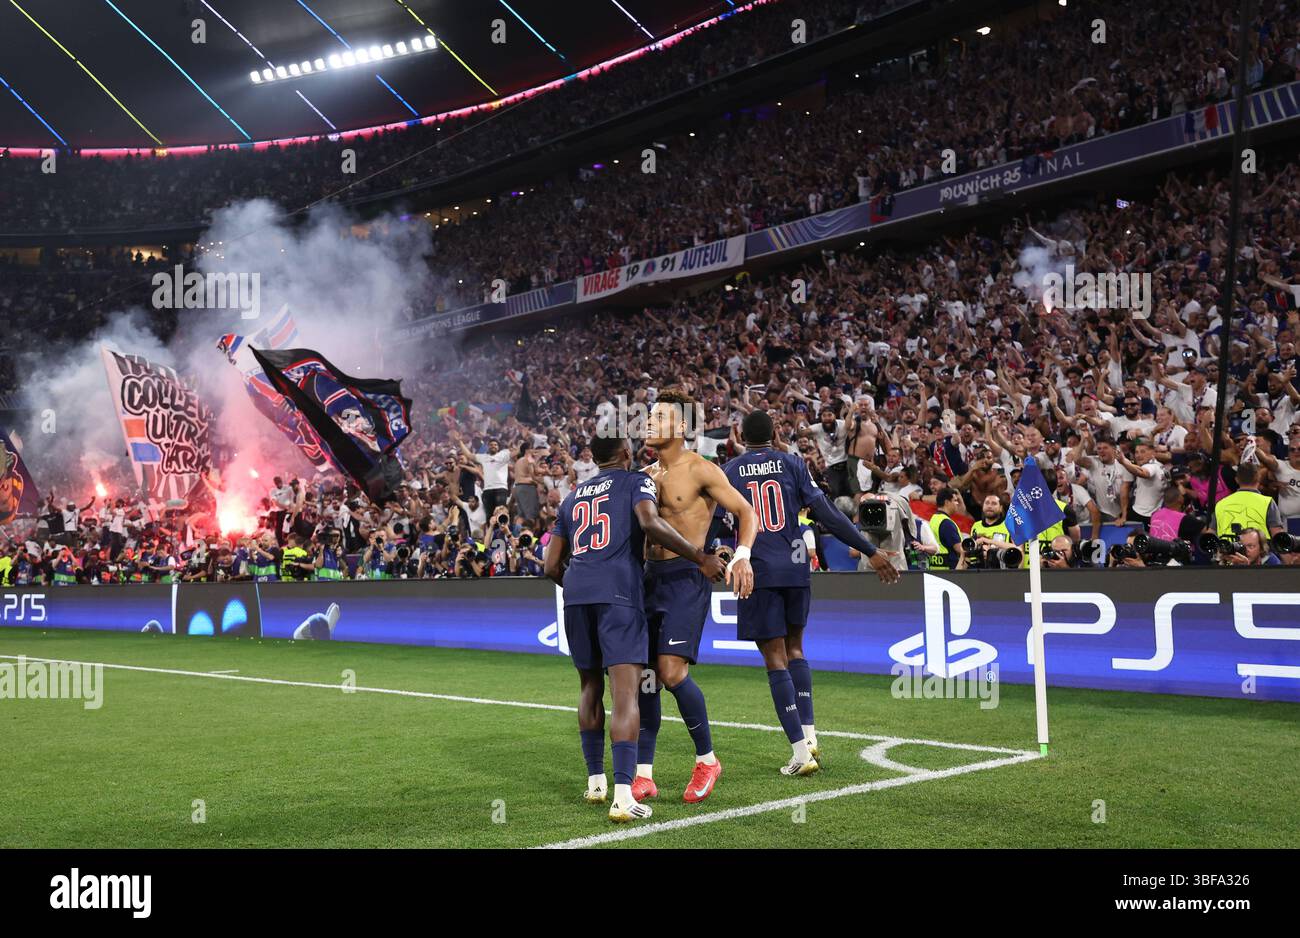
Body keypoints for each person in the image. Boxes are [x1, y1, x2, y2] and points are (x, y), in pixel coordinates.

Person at [543, 434, 724, 823]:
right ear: (626, 453)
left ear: (594, 458)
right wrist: (699, 556)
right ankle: (624, 796)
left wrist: (581, 585)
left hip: (576, 597)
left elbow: (550, 566)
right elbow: (649, 521)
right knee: (626, 693)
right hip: (620, 595)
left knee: (589, 686)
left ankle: (596, 782)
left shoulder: (572, 497)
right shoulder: (635, 481)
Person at [725, 410, 898, 776]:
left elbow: (717, 524)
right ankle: (810, 736)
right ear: (775, 433)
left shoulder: (730, 471)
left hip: (758, 569)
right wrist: (869, 550)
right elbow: (827, 514)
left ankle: (800, 755)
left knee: (774, 659)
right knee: (796, 649)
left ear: (741, 437)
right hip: (795, 565)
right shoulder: (792, 463)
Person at [633, 387, 757, 805]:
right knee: (646, 677)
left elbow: (746, 511)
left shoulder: (702, 469)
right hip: (648, 579)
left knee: (670, 671)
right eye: (649, 416)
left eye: (660, 416)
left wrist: (741, 555)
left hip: (687, 577)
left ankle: (707, 760)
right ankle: (644, 775)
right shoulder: (645, 475)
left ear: (682, 425)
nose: (650, 422)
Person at [1214, 463, 1285, 542]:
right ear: (1258, 478)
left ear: (1236, 480)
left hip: (1227, 549)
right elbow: (1277, 533)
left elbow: (1211, 533)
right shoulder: (1267, 502)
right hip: (1258, 548)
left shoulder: (1220, 504)